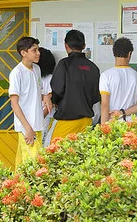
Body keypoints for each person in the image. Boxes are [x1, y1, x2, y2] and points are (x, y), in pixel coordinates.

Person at [50, 29, 100, 140]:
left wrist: (54, 101)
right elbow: (96, 96)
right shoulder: (93, 68)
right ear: (84, 45)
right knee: (79, 155)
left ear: (66, 45)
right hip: (86, 122)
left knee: (54, 153)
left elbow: (57, 89)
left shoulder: (64, 64)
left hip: (66, 122)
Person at [9, 36, 50, 168]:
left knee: (23, 162)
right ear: (23, 53)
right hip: (26, 127)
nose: (38, 53)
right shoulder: (17, 73)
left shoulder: (37, 69)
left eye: (38, 50)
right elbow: (14, 103)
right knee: (34, 164)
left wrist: (46, 97)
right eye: (34, 50)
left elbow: (37, 92)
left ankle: (16, 187)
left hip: (37, 124)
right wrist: (27, 128)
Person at [100, 37, 137, 124]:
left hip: (112, 123)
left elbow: (105, 105)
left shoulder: (106, 76)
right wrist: (122, 112)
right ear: (129, 54)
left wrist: (103, 127)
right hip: (131, 124)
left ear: (113, 53)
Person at [37, 47, 56, 147]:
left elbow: (50, 103)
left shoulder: (49, 78)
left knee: (43, 144)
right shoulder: (35, 76)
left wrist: (39, 117)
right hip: (37, 117)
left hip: (45, 117)